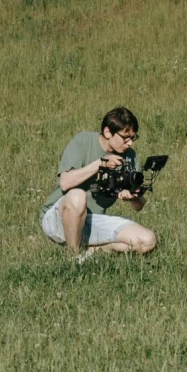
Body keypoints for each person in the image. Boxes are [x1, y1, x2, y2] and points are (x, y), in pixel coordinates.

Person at [41, 106, 157, 263]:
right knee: (77, 195)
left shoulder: (130, 157)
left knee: (147, 240)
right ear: (108, 132)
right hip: (58, 218)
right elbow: (65, 182)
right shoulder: (83, 141)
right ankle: (72, 258)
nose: (129, 143)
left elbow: (139, 206)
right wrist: (100, 164)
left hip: (93, 219)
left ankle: (95, 250)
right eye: (125, 137)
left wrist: (132, 198)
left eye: (133, 138)